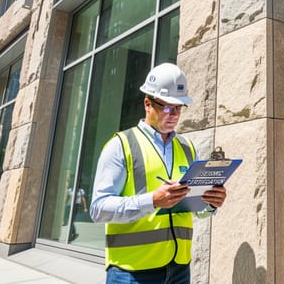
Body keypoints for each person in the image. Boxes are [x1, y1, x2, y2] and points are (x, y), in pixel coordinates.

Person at [90, 63, 227, 283]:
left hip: (179, 270)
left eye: (179, 108)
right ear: (147, 103)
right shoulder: (121, 145)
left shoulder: (187, 148)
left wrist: (210, 203)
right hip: (131, 272)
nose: (173, 115)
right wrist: (153, 200)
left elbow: (194, 209)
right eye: (166, 107)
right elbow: (98, 209)